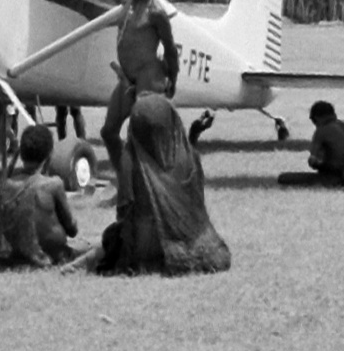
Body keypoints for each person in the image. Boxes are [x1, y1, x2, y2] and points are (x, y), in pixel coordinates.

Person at [70, 93, 229, 275]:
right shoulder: (189, 158)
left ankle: (83, 260)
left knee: (111, 237)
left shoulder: (131, 160)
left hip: (142, 246)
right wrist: (193, 134)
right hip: (184, 238)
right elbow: (193, 199)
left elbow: (124, 212)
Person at [99, 0, 179, 172]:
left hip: (149, 77)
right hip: (126, 77)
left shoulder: (156, 13)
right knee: (108, 132)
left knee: (141, 134)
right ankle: (124, 181)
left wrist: (172, 78)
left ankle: (151, 182)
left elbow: (170, 49)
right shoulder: (125, 5)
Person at [0, 126, 79, 268]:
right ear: (49, 155)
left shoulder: (5, 185)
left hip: (11, 255)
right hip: (49, 254)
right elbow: (72, 229)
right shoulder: (53, 185)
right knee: (91, 246)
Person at [277, 99, 344, 186]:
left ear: (317, 118)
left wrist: (320, 163)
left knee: (283, 178)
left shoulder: (322, 131)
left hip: (336, 175)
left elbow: (313, 161)